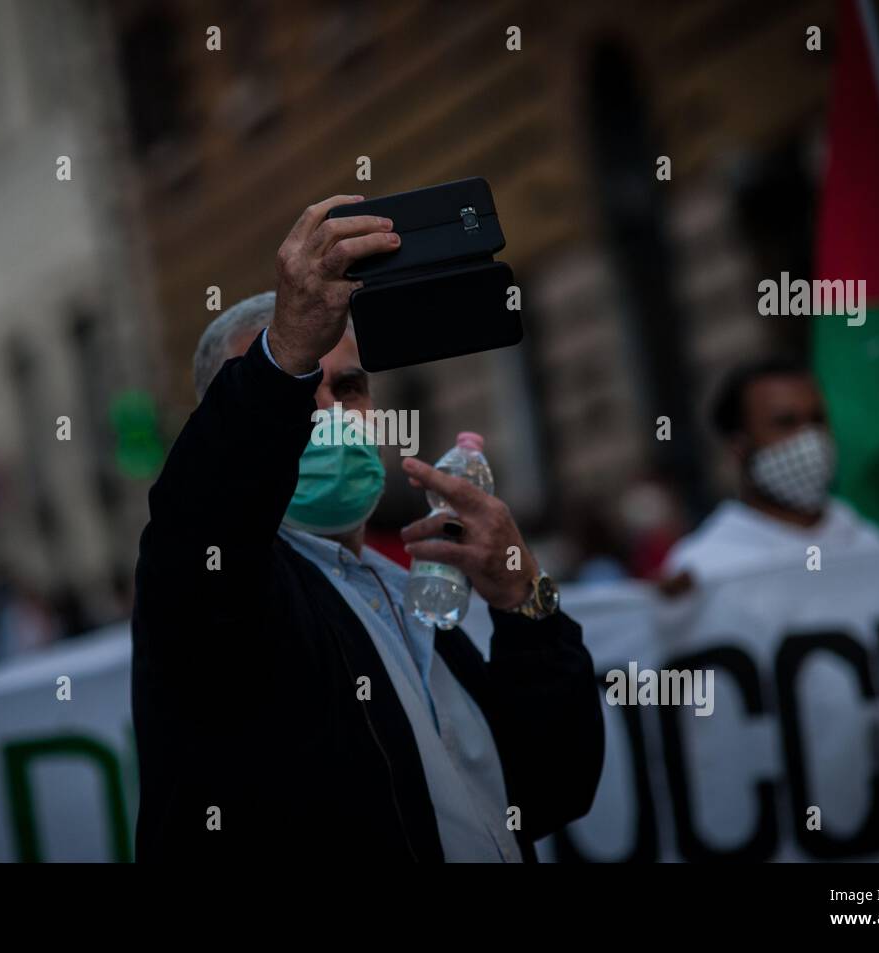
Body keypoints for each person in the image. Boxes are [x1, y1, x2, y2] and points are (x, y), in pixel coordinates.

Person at [131, 195, 604, 862]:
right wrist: (284, 353)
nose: (328, 412)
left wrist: (525, 602)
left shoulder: (405, 596)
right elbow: (205, 511)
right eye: (302, 389)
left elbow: (551, 786)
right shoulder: (217, 591)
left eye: (347, 387)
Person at [663, 357, 879, 583]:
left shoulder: (869, 541)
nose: (809, 439)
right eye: (786, 423)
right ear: (739, 445)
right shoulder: (705, 567)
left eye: (817, 420)